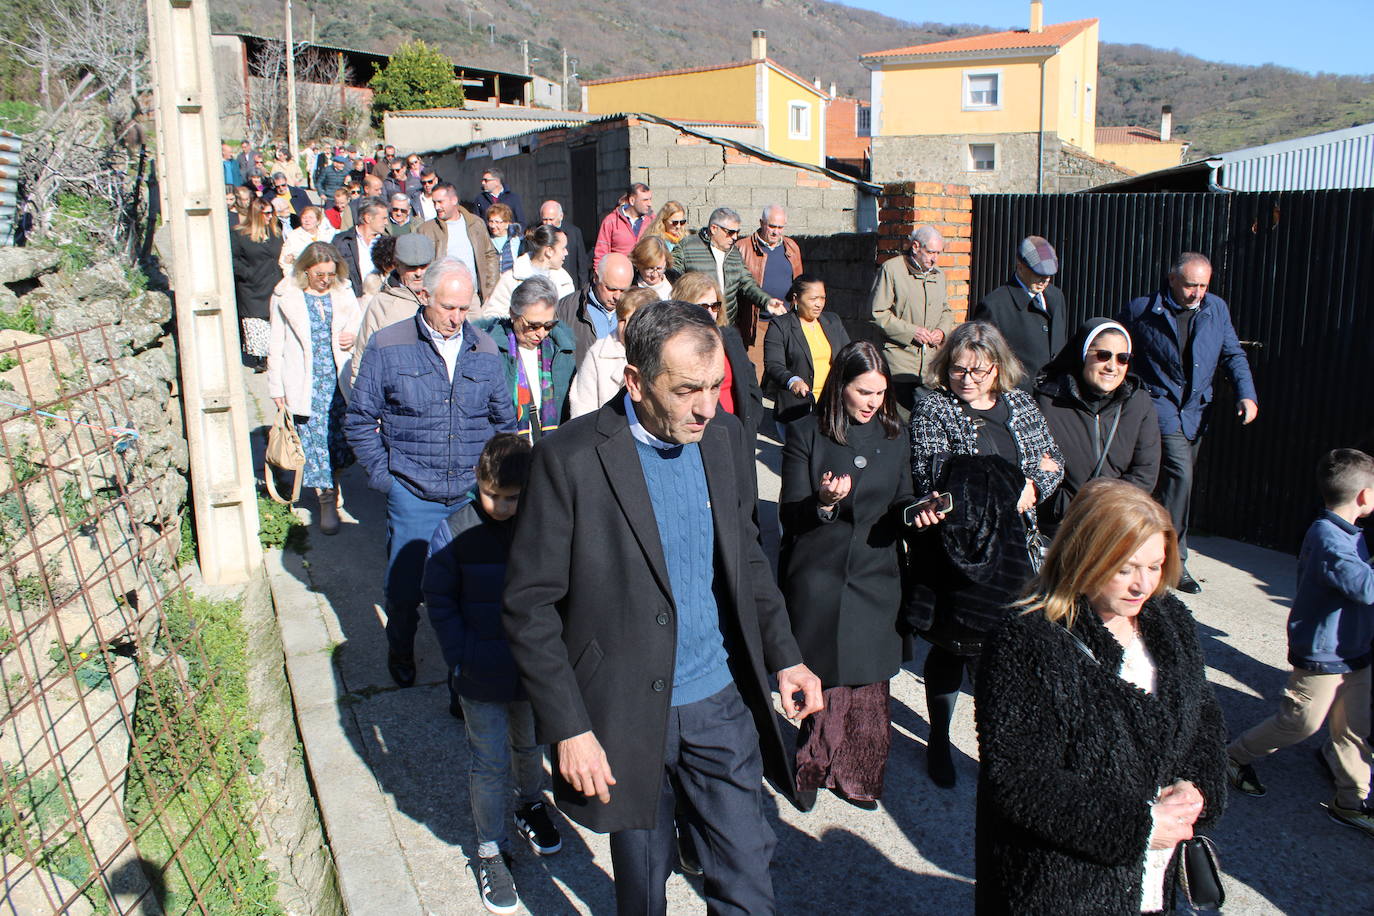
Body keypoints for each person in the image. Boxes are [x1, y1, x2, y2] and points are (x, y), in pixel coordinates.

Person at [502, 300, 823, 914]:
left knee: (747, 881)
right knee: (643, 891)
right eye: (685, 391)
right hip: (623, 714)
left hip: (720, 706)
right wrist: (569, 727)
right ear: (635, 382)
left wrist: (785, 656)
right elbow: (528, 608)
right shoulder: (569, 459)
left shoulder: (725, 436)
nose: (705, 406)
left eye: (713, 387)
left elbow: (747, 557)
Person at [975, 478, 1228, 914]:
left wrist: (1195, 784)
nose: (1142, 585)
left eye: (1155, 565)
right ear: (1083, 556)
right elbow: (1020, 779)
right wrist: (1138, 829)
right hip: (1063, 882)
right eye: (1125, 568)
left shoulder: (1170, 621)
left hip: (1154, 873)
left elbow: (1201, 714)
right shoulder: (1026, 640)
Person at [905, 320, 1063, 789]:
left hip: (1020, 551)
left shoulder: (1020, 404)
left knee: (1007, 658)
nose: (968, 379)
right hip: (963, 553)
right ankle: (938, 738)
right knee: (953, 649)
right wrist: (1014, 483)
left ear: (998, 368)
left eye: (979, 370)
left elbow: (1052, 461)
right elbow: (933, 473)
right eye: (958, 370)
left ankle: (998, 748)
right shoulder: (933, 408)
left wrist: (1031, 482)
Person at [345, 259, 517, 688]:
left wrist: (493, 485)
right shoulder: (388, 346)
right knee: (405, 591)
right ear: (424, 297)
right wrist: (388, 480)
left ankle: (463, 676)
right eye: (449, 308)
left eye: (465, 308)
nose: (458, 318)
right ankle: (400, 647)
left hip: (468, 494)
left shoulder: (485, 349)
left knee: (471, 594)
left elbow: (503, 422)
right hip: (412, 491)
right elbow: (360, 420)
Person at [422, 433, 562, 915]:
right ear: (477, 484)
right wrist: (460, 656)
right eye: (490, 495)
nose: (500, 506)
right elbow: (438, 601)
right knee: (488, 761)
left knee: (528, 746)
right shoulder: (455, 531)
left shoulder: (541, 527)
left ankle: (530, 804)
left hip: (528, 668)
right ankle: (488, 850)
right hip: (479, 671)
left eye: (511, 497)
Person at [779, 340, 912, 810]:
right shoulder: (807, 433)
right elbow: (791, 518)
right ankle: (811, 763)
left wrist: (919, 513)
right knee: (828, 672)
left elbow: (900, 502)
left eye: (879, 393)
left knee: (870, 678)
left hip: (875, 571)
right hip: (819, 571)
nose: (872, 403)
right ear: (840, 387)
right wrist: (824, 505)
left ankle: (858, 773)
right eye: (863, 392)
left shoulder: (897, 434)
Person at [1225, 448, 1374, 835]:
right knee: (1300, 723)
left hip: (1356, 650)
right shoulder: (1327, 538)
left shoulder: (1348, 532)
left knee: (1354, 728)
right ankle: (1232, 757)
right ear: (1363, 496)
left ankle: (1350, 801)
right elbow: (1364, 587)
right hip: (1322, 655)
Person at [1118, 252, 1258, 594]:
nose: (1197, 292)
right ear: (1172, 281)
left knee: (1172, 487)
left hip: (1196, 410)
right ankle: (1174, 563)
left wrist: (1246, 394)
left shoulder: (1215, 309)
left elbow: (1232, 355)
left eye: (1203, 286)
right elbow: (1117, 347)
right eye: (1190, 285)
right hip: (1158, 406)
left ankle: (1148, 549)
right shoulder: (1143, 310)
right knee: (1180, 476)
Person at [1034, 318, 1161, 535]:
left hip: (1115, 526)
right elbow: (1037, 467)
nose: (1112, 366)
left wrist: (1108, 511)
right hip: (1061, 528)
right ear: (1083, 355)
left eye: (1123, 358)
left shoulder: (1138, 403)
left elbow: (1145, 471)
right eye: (1103, 355)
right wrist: (1071, 509)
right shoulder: (1046, 402)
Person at [267, 242, 361, 534]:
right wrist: (276, 386)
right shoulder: (287, 297)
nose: (325, 280)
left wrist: (353, 336)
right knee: (316, 444)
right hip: (305, 382)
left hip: (339, 380)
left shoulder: (343, 292)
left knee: (341, 443)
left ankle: (333, 482)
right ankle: (326, 502)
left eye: (330, 274)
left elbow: (360, 325)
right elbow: (276, 344)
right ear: (306, 270)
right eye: (319, 274)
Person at [477, 276, 577, 444]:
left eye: (549, 325)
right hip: (507, 452)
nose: (541, 333)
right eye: (533, 326)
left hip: (550, 451)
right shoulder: (489, 350)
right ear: (513, 314)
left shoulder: (562, 350)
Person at [870, 226, 955, 418]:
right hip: (898, 362)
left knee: (927, 418)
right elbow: (877, 313)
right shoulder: (891, 270)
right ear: (916, 247)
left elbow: (947, 310)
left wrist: (941, 331)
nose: (935, 258)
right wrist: (911, 332)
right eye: (931, 252)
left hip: (930, 365)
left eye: (938, 253)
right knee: (899, 420)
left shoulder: (939, 275)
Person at [672, 207, 783, 346]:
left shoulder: (733, 252)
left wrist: (766, 301)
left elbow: (746, 282)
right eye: (730, 232)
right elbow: (672, 278)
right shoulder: (687, 246)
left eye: (737, 232)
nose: (735, 237)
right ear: (714, 228)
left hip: (726, 325)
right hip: (696, 326)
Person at [971, 235, 1067, 389]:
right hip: (1016, 398)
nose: (1045, 281)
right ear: (1020, 267)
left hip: (1053, 397)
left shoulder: (1056, 297)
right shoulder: (994, 306)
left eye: (1049, 275)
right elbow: (983, 361)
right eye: (1039, 274)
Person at [674, 271, 762, 434]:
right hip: (703, 433)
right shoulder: (674, 346)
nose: (710, 313)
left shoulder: (730, 336)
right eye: (702, 307)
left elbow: (750, 382)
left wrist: (753, 419)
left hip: (739, 430)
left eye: (714, 306)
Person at [764, 274, 849, 427]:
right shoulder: (780, 326)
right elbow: (773, 365)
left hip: (832, 408)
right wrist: (792, 381)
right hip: (796, 410)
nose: (819, 304)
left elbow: (848, 357)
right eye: (813, 299)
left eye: (822, 298)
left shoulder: (833, 321)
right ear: (796, 298)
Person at [353, 233, 433, 386]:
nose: (418, 273)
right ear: (397, 264)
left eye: (424, 266)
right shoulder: (381, 304)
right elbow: (362, 360)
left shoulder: (444, 297)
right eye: (411, 267)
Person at [567, 287, 657, 419]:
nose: (626, 327)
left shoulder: (663, 351)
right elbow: (582, 407)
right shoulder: (598, 354)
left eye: (632, 321)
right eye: (621, 320)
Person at [736, 205, 803, 362]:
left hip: (785, 323)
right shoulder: (742, 247)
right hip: (755, 325)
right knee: (756, 376)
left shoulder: (792, 247)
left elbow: (799, 284)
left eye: (780, 227)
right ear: (761, 223)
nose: (776, 232)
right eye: (772, 226)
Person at [418, 183, 499, 305]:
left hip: (474, 298)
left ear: (454, 200)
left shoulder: (476, 224)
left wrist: (490, 290)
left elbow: (490, 255)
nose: (436, 207)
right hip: (443, 300)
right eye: (434, 203)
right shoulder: (426, 230)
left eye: (440, 202)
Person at [229, 199, 283, 370]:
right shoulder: (240, 234)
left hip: (273, 283)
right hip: (253, 286)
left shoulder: (275, 231)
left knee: (275, 321)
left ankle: (275, 356)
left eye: (271, 213)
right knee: (257, 323)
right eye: (266, 213)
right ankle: (262, 358)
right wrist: (247, 273)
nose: (270, 216)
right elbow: (233, 260)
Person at [481, 224, 574, 319]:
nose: (566, 252)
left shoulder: (564, 281)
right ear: (549, 251)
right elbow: (493, 316)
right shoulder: (512, 279)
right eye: (563, 248)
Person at [556, 252, 632, 364]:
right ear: (596, 278)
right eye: (611, 289)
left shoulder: (638, 309)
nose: (617, 297)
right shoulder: (565, 309)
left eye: (624, 290)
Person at [593, 182, 653, 269]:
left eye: (650, 199)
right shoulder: (611, 221)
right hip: (619, 275)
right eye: (645, 200)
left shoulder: (652, 221)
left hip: (645, 277)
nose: (649, 204)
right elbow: (601, 252)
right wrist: (599, 275)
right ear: (632, 201)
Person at [333, 197, 386, 295]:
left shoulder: (386, 244)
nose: (386, 222)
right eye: (383, 218)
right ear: (368, 218)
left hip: (378, 301)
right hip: (350, 299)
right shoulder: (341, 241)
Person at [538, 200, 588, 287]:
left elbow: (582, 265)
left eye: (551, 219)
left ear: (561, 216)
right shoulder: (536, 233)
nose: (548, 223)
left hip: (568, 284)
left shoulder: (574, 232)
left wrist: (583, 289)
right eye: (545, 219)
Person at [279, 205, 336, 270]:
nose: (307, 220)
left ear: (318, 221)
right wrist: (293, 277)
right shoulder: (293, 236)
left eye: (311, 217)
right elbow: (283, 262)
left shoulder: (327, 234)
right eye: (304, 217)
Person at [644, 200, 688, 268]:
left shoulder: (686, 238)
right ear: (664, 221)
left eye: (682, 222)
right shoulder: (656, 241)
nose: (678, 226)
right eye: (675, 223)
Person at [484, 203, 520, 275]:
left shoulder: (517, 241)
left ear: (507, 223)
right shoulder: (485, 240)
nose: (493, 226)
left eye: (497, 222)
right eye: (491, 221)